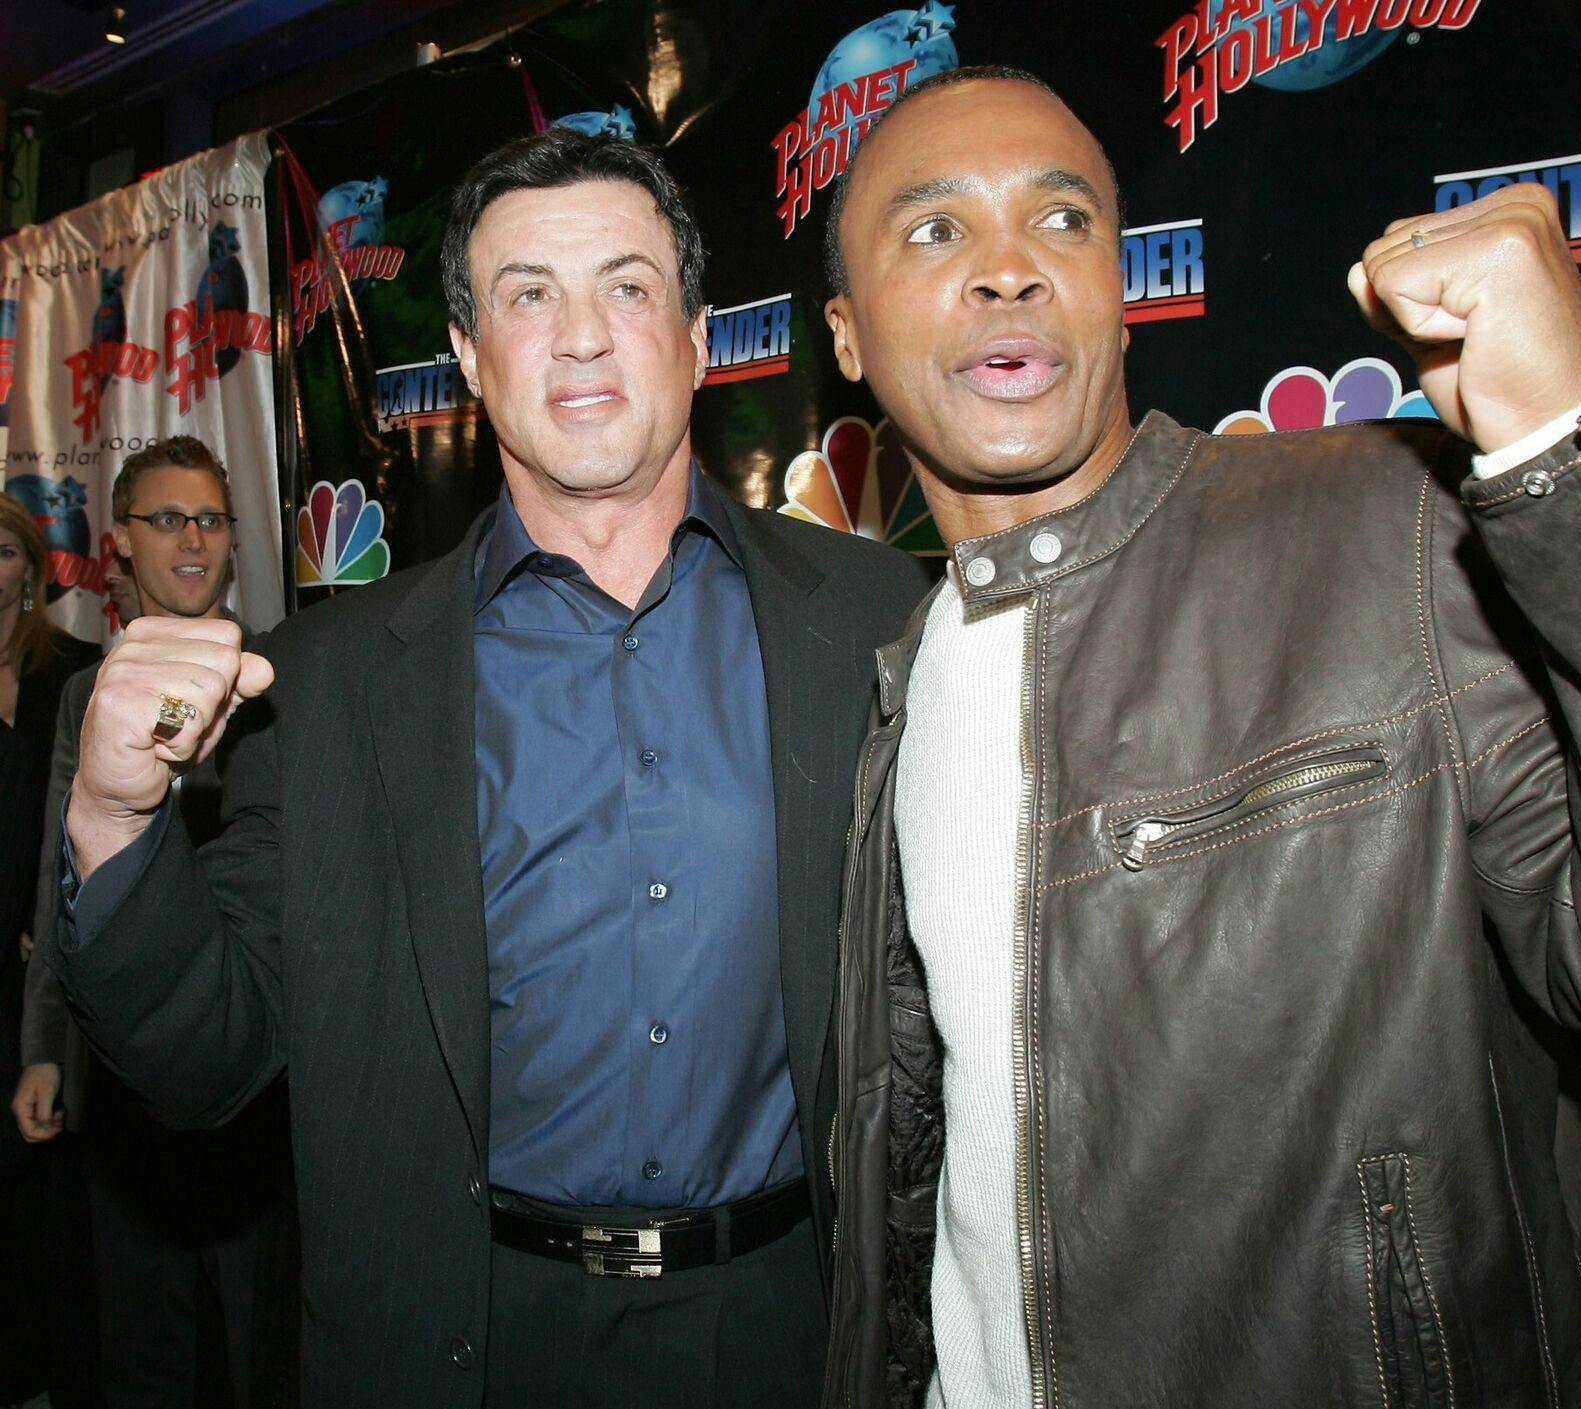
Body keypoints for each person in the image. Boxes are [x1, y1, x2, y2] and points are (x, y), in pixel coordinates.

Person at [814, 68, 1581, 1409]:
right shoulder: (906, 677)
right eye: (935, 231)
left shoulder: (1383, 531)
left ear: (1121, 292)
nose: (1008, 270)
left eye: (1063, 223)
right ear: (849, 338)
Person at [45, 128, 928, 1409]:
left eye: (627, 287)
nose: (581, 336)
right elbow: (205, 1058)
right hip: (466, 1344)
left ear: (694, 335)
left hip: (796, 1332)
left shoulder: (870, 618)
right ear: (466, 356)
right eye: (529, 295)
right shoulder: (334, 680)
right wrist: (116, 816)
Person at [13, 436, 296, 1409]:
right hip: (126, 1087)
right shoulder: (88, 695)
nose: (192, 538)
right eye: (167, 517)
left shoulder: (285, 676)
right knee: (144, 1354)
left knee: (269, 1350)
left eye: (210, 518)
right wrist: (44, 1047)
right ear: (121, 541)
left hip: (260, 1083)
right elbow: (67, 877)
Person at [0, 491, 102, 1409]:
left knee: (53, 1201)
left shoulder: (75, 671)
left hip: (44, 971)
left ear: (32, 569)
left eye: (2, 550)